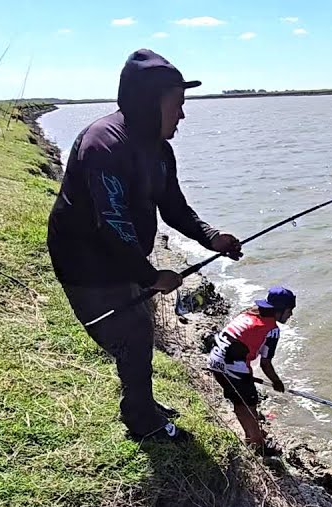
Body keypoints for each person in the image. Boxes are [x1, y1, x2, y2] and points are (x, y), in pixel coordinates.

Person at [46, 48, 243, 444]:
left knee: (139, 331)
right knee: (132, 336)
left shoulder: (159, 149)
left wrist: (211, 237)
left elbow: (173, 206)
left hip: (124, 257)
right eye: (177, 106)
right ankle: (143, 422)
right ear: (148, 104)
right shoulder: (104, 143)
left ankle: (143, 404)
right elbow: (111, 222)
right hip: (85, 259)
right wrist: (151, 275)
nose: (182, 116)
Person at [206, 287, 296, 456]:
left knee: (239, 401)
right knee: (249, 405)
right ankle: (257, 445)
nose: (290, 315)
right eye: (290, 311)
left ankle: (252, 434)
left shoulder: (248, 313)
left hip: (215, 360)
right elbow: (266, 364)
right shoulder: (272, 329)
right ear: (280, 310)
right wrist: (277, 382)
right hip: (233, 367)